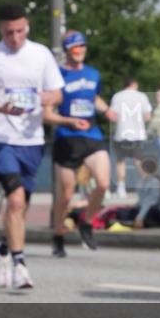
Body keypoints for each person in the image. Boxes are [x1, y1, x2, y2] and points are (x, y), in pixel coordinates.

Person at [0, 4, 64, 290]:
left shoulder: (41, 54)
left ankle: (3, 248)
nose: (15, 38)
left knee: (20, 208)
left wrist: (47, 98)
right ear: (1, 30)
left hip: (31, 140)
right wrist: (1, 107)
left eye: (20, 31)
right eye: (9, 32)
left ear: (27, 26)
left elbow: (57, 93)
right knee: (16, 201)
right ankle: (20, 265)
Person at [43, 30, 117, 257]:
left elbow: (94, 97)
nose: (79, 51)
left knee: (103, 183)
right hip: (67, 138)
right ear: (67, 51)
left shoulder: (93, 74)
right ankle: (58, 234)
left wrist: (107, 110)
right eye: (75, 47)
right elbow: (46, 114)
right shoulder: (57, 76)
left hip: (92, 135)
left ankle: (86, 222)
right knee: (66, 195)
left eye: (82, 46)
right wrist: (68, 121)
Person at [109, 78, 152, 198]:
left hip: (122, 133)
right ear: (135, 84)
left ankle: (121, 188)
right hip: (138, 133)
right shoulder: (142, 96)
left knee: (120, 161)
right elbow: (147, 116)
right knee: (139, 161)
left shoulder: (117, 96)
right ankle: (147, 186)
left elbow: (112, 115)